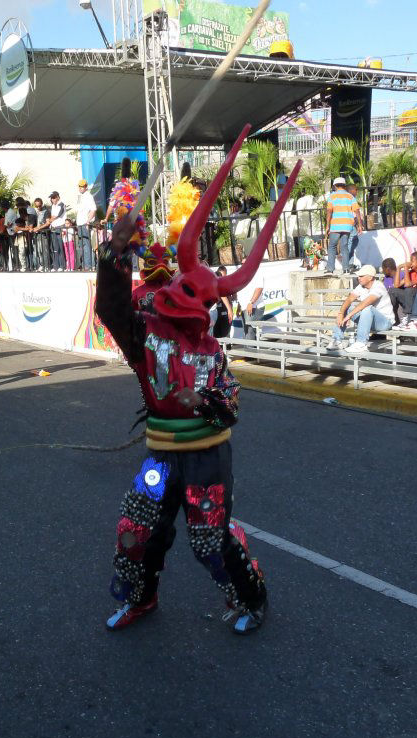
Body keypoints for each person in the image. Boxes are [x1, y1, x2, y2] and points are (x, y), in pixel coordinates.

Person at [94, 128, 286, 634]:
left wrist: (200, 398)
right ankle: (141, 597)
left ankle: (252, 599)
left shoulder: (211, 352)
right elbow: (110, 307)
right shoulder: (144, 332)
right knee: (136, 528)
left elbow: (231, 404)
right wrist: (112, 255)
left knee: (209, 539)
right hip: (161, 455)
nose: (181, 294)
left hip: (205, 457)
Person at [329, 264, 394, 355]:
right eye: (358, 276)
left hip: (385, 322)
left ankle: (361, 343)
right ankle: (337, 340)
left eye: (361, 276)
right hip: (369, 319)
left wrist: (348, 316)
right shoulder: (361, 286)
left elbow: (365, 303)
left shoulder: (378, 286)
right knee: (347, 307)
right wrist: (341, 313)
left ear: (370, 277)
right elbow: (349, 299)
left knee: (367, 308)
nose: (358, 278)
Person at [325, 177, 359, 274]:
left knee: (332, 246)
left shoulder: (332, 196)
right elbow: (357, 210)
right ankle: (346, 269)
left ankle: (330, 269)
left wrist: (327, 225)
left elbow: (329, 211)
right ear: (344, 186)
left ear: (335, 186)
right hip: (347, 226)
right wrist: (360, 225)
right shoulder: (350, 196)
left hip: (336, 225)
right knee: (344, 247)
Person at [132, 244, 176, 313]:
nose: (160, 266)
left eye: (165, 262)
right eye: (152, 262)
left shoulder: (175, 290)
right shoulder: (136, 293)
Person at [75, 179, 97, 271]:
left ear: (86, 187)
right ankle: (85, 264)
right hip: (80, 224)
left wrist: (88, 221)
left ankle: (88, 265)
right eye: (79, 186)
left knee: (86, 245)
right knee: (82, 245)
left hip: (84, 224)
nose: (81, 188)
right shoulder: (80, 196)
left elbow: (93, 209)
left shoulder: (88, 196)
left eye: (82, 186)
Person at [44, 191, 67, 271]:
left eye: (53, 197)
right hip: (53, 228)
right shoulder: (53, 206)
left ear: (57, 197)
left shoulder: (61, 204)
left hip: (60, 227)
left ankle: (62, 266)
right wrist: (50, 222)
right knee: (55, 248)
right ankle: (56, 266)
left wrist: (49, 221)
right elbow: (52, 216)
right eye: (51, 198)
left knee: (61, 247)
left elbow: (56, 216)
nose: (52, 199)